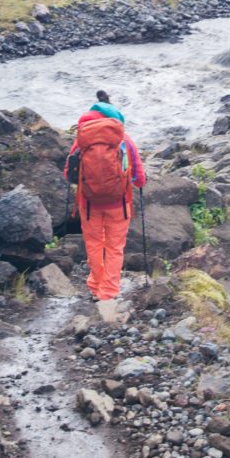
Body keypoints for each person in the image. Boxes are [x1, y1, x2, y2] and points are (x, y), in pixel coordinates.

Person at [65, 90, 146, 301]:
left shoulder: (82, 139)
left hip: (89, 203)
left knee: (94, 245)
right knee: (115, 247)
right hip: (119, 203)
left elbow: (68, 173)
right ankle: (108, 292)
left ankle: (95, 285)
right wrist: (135, 182)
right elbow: (139, 177)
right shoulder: (123, 139)